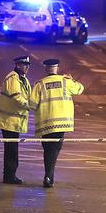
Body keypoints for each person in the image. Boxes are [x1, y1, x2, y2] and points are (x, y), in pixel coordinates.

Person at [30, 58, 84, 188]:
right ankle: (48, 177)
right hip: (61, 123)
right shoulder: (65, 81)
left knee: (48, 150)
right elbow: (80, 89)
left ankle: (48, 177)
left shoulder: (40, 84)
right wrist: (72, 79)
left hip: (46, 124)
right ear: (57, 68)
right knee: (54, 150)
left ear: (46, 69)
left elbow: (32, 104)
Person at [0, 55, 32, 185]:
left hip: (15, 121)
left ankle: (11, 175)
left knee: (12, 149)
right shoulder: (12, 78)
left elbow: (28, 96)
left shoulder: (23, 79)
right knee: (11, 150)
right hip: (8, 120)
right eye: (24, 65)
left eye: (28, 65)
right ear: (17, 65)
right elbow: (16, 97)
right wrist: (30, 106)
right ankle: (9, 176)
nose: (27, 67)